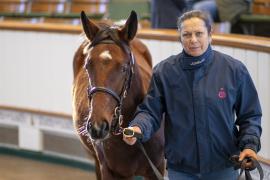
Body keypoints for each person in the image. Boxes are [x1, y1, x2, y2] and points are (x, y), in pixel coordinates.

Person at [123, 10, 262, 180]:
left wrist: (249, 145)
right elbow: (150, 111)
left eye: (199, 34)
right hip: (181, 168)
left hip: (223, 165)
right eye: (187, 34)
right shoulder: (164, 72)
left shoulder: (234, 70)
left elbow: (250, 115)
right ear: (180, 37)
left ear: (210, 35)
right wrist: (138, 127)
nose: (193, 40)